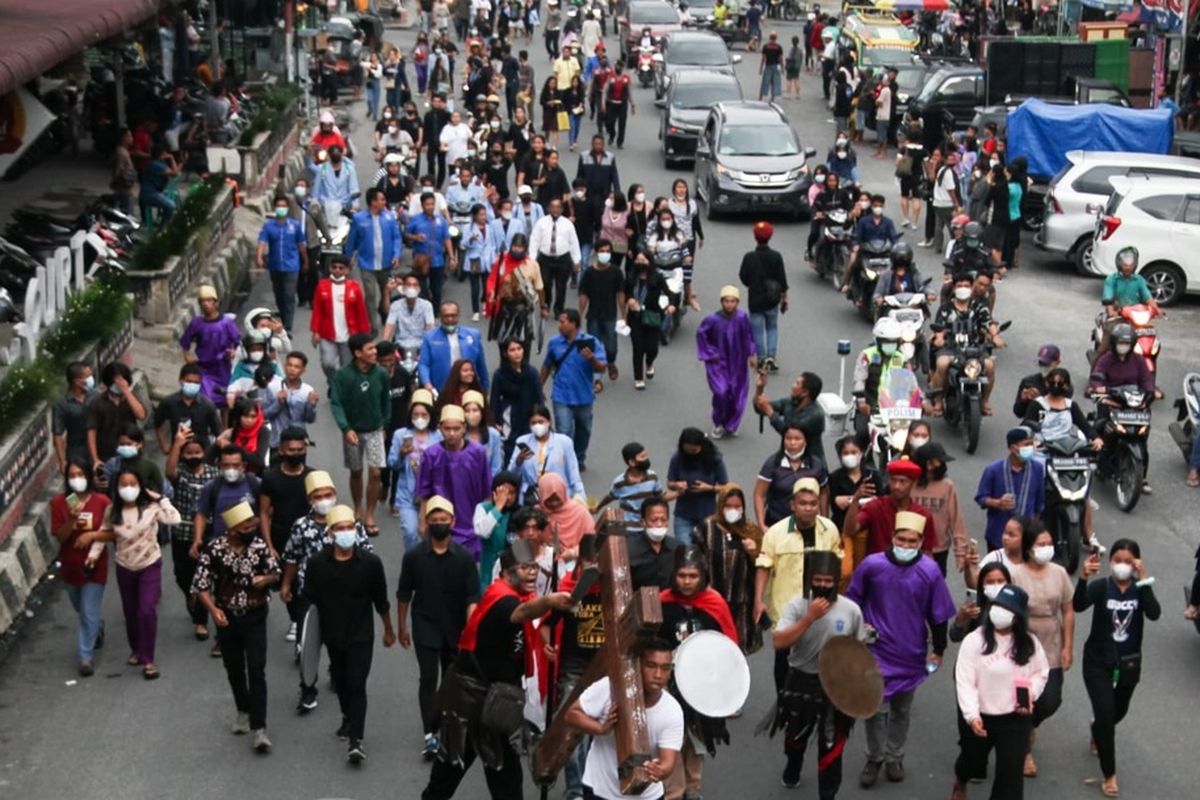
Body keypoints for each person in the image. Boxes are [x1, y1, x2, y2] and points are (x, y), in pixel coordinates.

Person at [421, 542, 573, 800]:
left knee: (505, 778)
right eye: (524, 568)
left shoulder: (521, 597)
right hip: (471, 703)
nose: (532, 574)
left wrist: (546, 646)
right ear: (505, 572)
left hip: (497, 704)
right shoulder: (500, 598)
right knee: (449, 772)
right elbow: (522, 613)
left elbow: (523, 635)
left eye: (535, 567)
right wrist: (549, 601)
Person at [845, 511, 956, 788]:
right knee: (874, 710)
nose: (906, 545)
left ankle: (895, 756)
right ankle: (874, 757)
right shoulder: (872, 566)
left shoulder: (929, 571)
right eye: (901, 539)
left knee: (901, 711)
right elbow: (852, 602)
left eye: (912, 540)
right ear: (892, 537)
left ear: (920, 541)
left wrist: (939, 649)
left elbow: (938, 614)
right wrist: (858, 630)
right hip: (876, 650)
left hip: (911, 652)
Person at [302, 504, 395, 763]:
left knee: (357, 684)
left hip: (361, 635)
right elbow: (309, 603)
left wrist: (389, 630)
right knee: (342, 683)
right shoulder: (317, 564)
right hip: (333, 635)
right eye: (340, 528)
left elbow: (381, 599)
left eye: (350, 528)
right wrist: (309, 640)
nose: (345, 533)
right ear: (330, 533)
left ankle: (357, 740)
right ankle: (347, 717)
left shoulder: (370, 563)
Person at [769, 550, 864, 793]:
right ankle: (793, 765)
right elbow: (779, 642)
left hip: (835, 686)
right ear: (810, 578)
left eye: (828, 581)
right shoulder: (796, 605)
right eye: (817, 579)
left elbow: (858, 650)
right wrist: (808, 618)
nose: (822, 585)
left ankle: (828, 793)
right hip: (801, 680)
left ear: (836, 582)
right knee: (796, 737)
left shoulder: (851, 610)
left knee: (831, 744)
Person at [1074, 539, 1160, 798]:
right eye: (1117, 560)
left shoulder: (1139, 590)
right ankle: (1109, 774)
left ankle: (1098, 728)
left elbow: (1155, 614)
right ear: (1110, 562)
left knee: (1116, 712)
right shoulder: (1102, 588)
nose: (1122, 566)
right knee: (1106, 715)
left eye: (1128, 561)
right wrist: (1082, 579)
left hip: (1128, 662)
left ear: (1136, 564)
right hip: (1097, 660)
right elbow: (1078, 605)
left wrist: (1145, 581)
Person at [397, 494, 481, 759]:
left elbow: (473, 598)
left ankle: (449, 727)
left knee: (451, 680)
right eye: (434, 520)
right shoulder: (413, 557)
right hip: (425, 625)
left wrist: (471, 630)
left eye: (443, 520)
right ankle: (429, 733)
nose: (439, 524)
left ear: (453, 522)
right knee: (428, 678)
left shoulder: (465, 559)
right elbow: (403, 594)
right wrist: (401, 627)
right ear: (426, 522)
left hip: (455, 628)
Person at [192, 501, 279, 753]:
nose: (252, 526)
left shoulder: (260, 547)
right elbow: (200, 585)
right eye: (246, 524)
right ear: (232, 528)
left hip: (255, 616)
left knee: (256, 668)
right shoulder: (215, 549)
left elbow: (275, 572)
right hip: (227, 617)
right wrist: (213, 610)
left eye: (252, 522)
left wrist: (267, 579)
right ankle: (243, 709)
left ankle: (260, 728)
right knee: (233, 667)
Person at [950, 584, 1049, 800]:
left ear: (1017, 617)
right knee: (972, 761)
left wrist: (1029, 694)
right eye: (998, 606)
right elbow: (965, 682)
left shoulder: (1029, 644)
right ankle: (961, 780)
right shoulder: (974, 641)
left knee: (1010, 777)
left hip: (1015, 718)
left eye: (1008, 608)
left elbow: (1041, 672)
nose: (1000, 611)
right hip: (981, 717)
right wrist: (972, 715)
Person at [658, 547, 739, 800]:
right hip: (667, 686)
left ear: (702, 576)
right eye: (682, 575)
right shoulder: (662, 603)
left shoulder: (714, 603)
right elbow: (648, 644)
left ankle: (692, 789)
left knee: (697, 740)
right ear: (674, 575)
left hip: (702, 686)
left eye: (693, 576)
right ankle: (673, 792)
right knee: (669, 739)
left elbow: (729, 646)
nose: (687, 581)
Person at [565, 639, 684, 800]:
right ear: (638, 665)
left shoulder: (672, 710)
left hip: (647, 795)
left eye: (665, 668)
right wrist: (600, 728)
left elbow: (668, 761)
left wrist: (660, 770)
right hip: (600, 790)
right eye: (651, 665)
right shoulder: (609, 687)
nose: (658, 675)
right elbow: (572, 714)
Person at [754, 477, 843, 690]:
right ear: (793, 505)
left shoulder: (829, 529)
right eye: (803, 504)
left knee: (818, 660)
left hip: (820, 606)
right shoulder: (775, 533)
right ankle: (784, 702)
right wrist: (758, 600)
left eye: (813, 504)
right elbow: (764, 565)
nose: (809, 508)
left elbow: (837, 564)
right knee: (784, 661)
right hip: (786, 608)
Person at [93, 469, 182, 680]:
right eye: (124, 485)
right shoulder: (111, 511)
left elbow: (175, 519)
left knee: (146, 610)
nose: (128, 489)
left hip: (149, 564)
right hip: (124, 566)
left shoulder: (151, 509)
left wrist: (161, 499)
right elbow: (102, 535)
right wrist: (92, 556)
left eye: (133, 484)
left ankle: (148, 659)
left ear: (141, 487)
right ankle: (136, 648)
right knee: (131, 613)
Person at [1010, 520, 1075, 778]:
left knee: (1050, 699)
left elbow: (1068, 610)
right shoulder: (1015, 574)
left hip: (1051, 640)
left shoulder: (1058, 573)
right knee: (1025, 698)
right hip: (1024, 641)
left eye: (1049, 544)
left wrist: (1068, 646)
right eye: (1041, 544)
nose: (1046, 548)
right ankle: (1024, 750)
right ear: (1028, 548)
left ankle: (1030, 725)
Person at [51, 460, 112, 676]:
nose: (77, 478)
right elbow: (60, 536)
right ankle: (97, 627)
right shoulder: (61, 503)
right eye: (72, 475)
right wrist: (72, 519)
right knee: (82, 608)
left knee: (87, 611)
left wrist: (92, 536)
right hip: (70, 567)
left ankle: (85, 658)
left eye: (80, 473)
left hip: (94, 566)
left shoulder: (102, 502)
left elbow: (112, 533)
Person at [330, 333, 391, 536]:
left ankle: (370, 514)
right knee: (356, 471)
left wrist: (384, 425)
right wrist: (345, 428)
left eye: (375, 348)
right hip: (353, 431)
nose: (375, 352)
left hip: (374, 430)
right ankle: (357, 507)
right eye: (370, 349)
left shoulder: (381, 373)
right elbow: (336, 403)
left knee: (375, 473)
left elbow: (386, 401)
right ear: (357, 353)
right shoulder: (342, 375)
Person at [414, 405, 492, 558]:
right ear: (440, 428)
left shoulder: (478, 453)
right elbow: (425, 493)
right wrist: (422, 522)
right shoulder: (432, 454)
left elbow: (486, 492)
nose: (451, 433)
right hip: (441, 523)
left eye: (456, 429)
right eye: (447, 428)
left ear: (464, 428)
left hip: (471, 523)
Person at [696, 485, 764, 653]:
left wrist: (753, 551)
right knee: (712, 645)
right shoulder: (706, 528)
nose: (733, 510)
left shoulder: (750, 531)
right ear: (720, 506)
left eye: (737, 507)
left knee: (736, 648)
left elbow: (763, 566)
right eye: (728, 506)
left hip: (741, 601)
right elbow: (697, 561)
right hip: (712, 599)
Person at [1089, 323, 1156, 493]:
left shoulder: (1138, 360)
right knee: (1102, 426)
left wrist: (1148, 394)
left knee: (1142, 437)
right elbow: (1097, 378)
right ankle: (1099, 458)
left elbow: (1147, 381)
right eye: (1121, 342)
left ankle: (1142, 478)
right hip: (1111, 402)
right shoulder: (1106, 359)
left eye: (1127, 343)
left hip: (1133, 404)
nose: (1123, 346)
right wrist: (1100, 389)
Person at [930, 271, 1004, 416]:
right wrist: (939, 338)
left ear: (971, 288)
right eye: (959, 285)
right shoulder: (946, 308)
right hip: (950, 348)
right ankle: (938, 401)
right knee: (942, 364)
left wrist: (995, 336)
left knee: (989, 365)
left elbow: (989, 322)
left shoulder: (979, 307)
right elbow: (939, 328)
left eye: (966, 285)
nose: (963, 288)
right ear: (954, 288)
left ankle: (984, 401)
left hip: (975, 349)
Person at [842, 457, 936, 570]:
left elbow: (927, 552)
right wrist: (855, 500)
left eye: (902, 482)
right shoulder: (875, 507)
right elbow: (850, 530)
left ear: (913, 483)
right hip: (877, 573)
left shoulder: (923, 514)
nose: (896, 486)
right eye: (893, 480)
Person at [541, 309, 606, 470]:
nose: (559, 326)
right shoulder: (554, 343)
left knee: (584, 430)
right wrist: (538, 388)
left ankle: (579, 457)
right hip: (561, 395)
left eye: (563, 322)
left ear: (574, 324)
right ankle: (567, 462)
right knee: (564, 431)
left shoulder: (591, 342)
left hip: (584, 397)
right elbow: (547, 366)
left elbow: (602, 367)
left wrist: (591, 358)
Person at [695, 285, 757, 440]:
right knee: (721, 392)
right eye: (726, 301)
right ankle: (718, 422)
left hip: (737, 361)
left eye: (733, 301)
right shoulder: (712, 319)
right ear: (721, 302)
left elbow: (748, 336)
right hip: (718, 363)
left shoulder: (742, 318)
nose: (729, 304)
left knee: (737, 393)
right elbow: (701, 335)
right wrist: (710, 353)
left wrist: (751, 354)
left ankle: (731, 424)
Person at [975, 427, 1045, 551]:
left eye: (1032, 444)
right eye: (1027, 445)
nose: (1031, 448)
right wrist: (998, 503)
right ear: (1013, 448)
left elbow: (1039, 504)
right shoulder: (993, 470)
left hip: (1026, 536)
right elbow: (981, 497)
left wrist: (1034, 530)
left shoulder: (1037, 469)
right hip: (998, 535)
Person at [735, 219, 791, 373]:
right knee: (772, 327)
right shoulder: (776, 256)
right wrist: (784, 297)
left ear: (755, 237)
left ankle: (761, 358)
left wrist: (751, 284)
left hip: (755, 300)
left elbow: (743, 276)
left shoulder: (749, 257)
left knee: (757, 330)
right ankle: (771, 356)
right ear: (770, 236)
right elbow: (782, 278)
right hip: (772, 299)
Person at [345, 188, 404, 329]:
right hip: (367, 264)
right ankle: (371, 324)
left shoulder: (390, 217)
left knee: (387, 292)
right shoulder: (359, 219)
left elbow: (396, 238)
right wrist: (348, 260)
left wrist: (396, 255)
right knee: (370, 295)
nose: (384, 202)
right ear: (373, 202)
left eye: (384, 199)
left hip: (386, 263)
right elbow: (352, 241)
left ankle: (383, 313)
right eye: (381, 199)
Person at [910, 441, 969, 575]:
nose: (940, 465)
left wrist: (960, 552)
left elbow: (956, 519)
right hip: (910, 546)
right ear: (927, 464)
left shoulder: (947, 486)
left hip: (939, 550)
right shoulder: (910, 484)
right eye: (936, 462)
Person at [311, 257, 372, 384]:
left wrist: (364, 335)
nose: (337, 270)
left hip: (349, 336)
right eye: (334, 267)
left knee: (347, 367)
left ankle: (340, 391)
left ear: (348, 271)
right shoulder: (322, 286)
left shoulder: (354, 287)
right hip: (327, 334)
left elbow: (361, 313)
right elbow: (317, 310)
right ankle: (333, 383)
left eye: (341, 268)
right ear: (330, 268)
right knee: (327, 363)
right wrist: (316, 331)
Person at [754, 426, 829, 529]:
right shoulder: (773, 463)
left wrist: (825, 521)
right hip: (777, 523)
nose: (792, 443)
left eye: (797, 439)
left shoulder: (816, 465)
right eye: (788, 438)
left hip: (808, 524)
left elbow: (824, 493)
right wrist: (762, 525)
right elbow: (759, 495)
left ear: (806, 441)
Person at [508, 406, 585, 503]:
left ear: (549, 422)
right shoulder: (522, 442)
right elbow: (511, 474)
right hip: (532, 498)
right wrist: (518, 462)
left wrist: (581, 497)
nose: (537, 425)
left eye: (541, 422)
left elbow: (573, 473)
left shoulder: (564, 442)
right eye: (533, 423)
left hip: (557, 497)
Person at [256, 195, 310, 333]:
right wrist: (259, 257)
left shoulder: (295, 225)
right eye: (279, 206)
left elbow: (301, 244)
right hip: (275, 266)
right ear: (275, 208)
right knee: (279, 295)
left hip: (292, 266)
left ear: (287, 208)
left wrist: (305, 260)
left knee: (289, 295)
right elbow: (262, 242)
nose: (281, 208)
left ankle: (288, 326)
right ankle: (282, 316)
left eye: (284, 206)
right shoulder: (269, 226)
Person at [258, 426, 312, 560]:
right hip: (280, 539)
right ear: (282, 450)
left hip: (308, 539)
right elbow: (264, 513)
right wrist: (269, 546)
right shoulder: (270, 477)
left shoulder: (313, 476)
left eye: (300, 450)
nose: (296, 454)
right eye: (291, 450)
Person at [85, 362, 148, 471]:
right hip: (106, 455)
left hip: (131, 451)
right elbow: (91, 431)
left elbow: (141, 415)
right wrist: (95, 459)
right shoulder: (97, 403)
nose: (119, 384)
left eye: (121, 380)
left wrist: (126, 392)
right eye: (116, 381)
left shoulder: (132, 399)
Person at [753, 371, 826, 464]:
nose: (792, 386)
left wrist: (769, 410)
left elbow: (789, 432)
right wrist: (760, 388)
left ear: (805, 392)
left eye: (797, 383)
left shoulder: (816, 415)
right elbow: (760, 408)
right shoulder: (790, 403)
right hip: (788, 458)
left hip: (810, 463)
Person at [490, 337, 544, 460]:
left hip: (528, 415)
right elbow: (494, 400)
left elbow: (539, 398)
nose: (517, 353)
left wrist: (541, 418)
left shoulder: (532, 372)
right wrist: (495, 422)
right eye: (512, 350)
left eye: (519, 349)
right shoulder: (500, 374)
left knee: (530, 449)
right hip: (509, 417)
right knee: (510, 448)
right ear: (505, 353)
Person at [419, 302, 490, 394]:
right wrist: (427, 384)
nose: (450, 319)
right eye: (446, 316)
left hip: (468, 388)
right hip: (441, 389)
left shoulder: (473, 335)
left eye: (453, 315)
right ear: (440, 317)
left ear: (458, 316)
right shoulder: (429, 337)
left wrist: (485, 386)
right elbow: (423, 364)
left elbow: (481, 364)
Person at [1098, 246, 1157, 356]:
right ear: (1120, 264)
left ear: (1135, 265)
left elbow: (1147, 296)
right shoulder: (1112, 280)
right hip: (1117, 317)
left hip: (1135, 317)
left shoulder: (1139, 280)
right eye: (1125, 265)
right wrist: (1111, 312)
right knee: (1104, 348)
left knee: (1150, 340)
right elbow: (1108, 297)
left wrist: (1156, 309)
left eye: (1131, 265)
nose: (1128, 268)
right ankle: (1096, 370)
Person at [153, 363, 222, 454]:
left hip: (201, 453)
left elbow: (218, 433)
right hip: (178, 452)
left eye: (196, 382)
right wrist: (165, 446)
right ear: (181, 380)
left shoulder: (208, 406)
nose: (192, 385)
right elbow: (157, 424)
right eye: (189, 381)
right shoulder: (169, 403)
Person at [404, 190, 457, 308]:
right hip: (421, 260)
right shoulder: (415, 219)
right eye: (427, 204)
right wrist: (415, 237)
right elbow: (406, 234)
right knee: (422, 290)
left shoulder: (441, 220)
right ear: (422, 205)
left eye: (432, 204)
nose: (430, 207)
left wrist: (452, 257)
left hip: (438, 261)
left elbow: (447, 239)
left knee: (437, 290)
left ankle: (436, 312)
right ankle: (424, 309)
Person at [826, 434, 882, 532]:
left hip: (869, 528)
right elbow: (834, 504)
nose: (850, 456)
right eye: (846, 453)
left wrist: (851, 501)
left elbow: (881, 500)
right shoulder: (834, 477)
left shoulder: (872, 476)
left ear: (861, 453)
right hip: (842, 528)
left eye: (853, 452)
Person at [628, 496, 681, 590]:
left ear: (668, 522)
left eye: (663, 520)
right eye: (654, 520)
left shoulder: (678, 547)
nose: (659, 524)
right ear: (643, 522)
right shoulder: (629, 550)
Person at [52, 362, 96, 471]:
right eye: (88, 376)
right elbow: (57, 435)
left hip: (98, 449)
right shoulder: (62, 404)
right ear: (77, 381)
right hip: (76, 453)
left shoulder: (96, 396)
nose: (91, 379)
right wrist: (62, 461)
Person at [1013, 343, 1061, 420]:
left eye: (1046, 364)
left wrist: (1040, 401)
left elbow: (1059, 414)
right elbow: (1018, 413)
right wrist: (1023, 401)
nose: (1043, 367)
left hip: (1054, 426)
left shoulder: (1062, 385)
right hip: (1032, 424)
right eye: (1041, 363)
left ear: (1057, 363)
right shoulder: (1028, 382)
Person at [602, 61, 635, 148]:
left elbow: (629, 92)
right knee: (609, 122)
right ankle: (612, 134)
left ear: (622, 68)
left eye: (620, 66)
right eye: (617, 66)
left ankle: (620, 142)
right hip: (612, 103)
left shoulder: (626, 79)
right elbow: (605, 90)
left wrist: (632, 104)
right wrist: (603, 103)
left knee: (622, 124)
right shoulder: (611, 77)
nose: (618, 68)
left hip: (622, 104)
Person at [759, 30, 784, 101]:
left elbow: (763, 58)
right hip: (776, 66)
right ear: (776, 38)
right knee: (775, 82)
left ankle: (761, 97)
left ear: (769, 37)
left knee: (765, 82)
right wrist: (782, 68)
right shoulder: (779, 47)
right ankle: (772, 97)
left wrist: (761, 68)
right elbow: (781, 59)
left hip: (768, 66)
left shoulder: (766, 46)